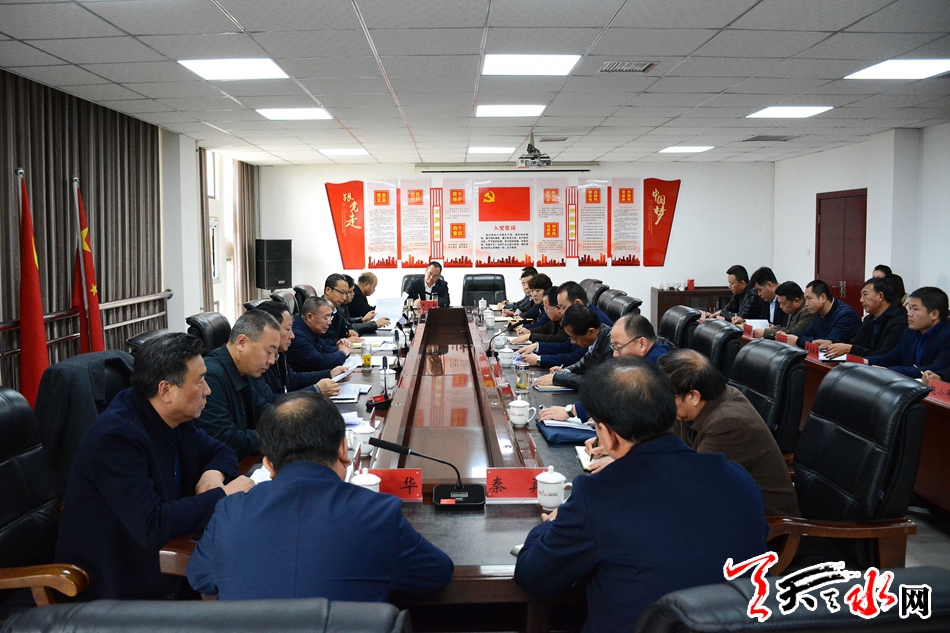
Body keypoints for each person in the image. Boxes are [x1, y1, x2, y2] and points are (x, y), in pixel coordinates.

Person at [514, 358, 768, 632]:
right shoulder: (739, 480)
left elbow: (533, 576)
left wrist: (552, 522)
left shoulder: (598, 496)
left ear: (607, 435)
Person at [186, 391, 453, 600]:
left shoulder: (229, 513)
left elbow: (199, 577)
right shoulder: (378, 514)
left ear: (268, 466)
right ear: (344, 451)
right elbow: (438, 573)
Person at [55, 333, 253, 600]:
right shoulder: (116, 439)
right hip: (118, 586)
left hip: (165, 560)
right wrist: (223, 495)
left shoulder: (172, 416)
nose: (207, 390)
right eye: (200, 381)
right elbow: (152, 525)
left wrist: (212, 474)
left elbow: (222, 451)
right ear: (166, 390)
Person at [658, 349, 799, 517]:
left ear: (694, 396)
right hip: (726, 506)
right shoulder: (705, 402)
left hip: (766, 524)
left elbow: (692, 484)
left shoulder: (728, 423)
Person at [540, 314, 670, 426]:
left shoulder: (657, 366)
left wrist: (571, 411)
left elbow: (618, 395)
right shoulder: (643, 360)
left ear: (642, 344)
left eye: (618, 347)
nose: (615, 355)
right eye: (613, 348)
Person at [196, 310, 280, 459]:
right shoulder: (210, 377)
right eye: (269, 352)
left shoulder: (241, 370)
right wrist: (281, 435)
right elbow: (227, 440)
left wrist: (293, 421)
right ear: (241, 343)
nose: (272, 361)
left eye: (275, 354)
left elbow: (263, 409)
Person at [251, 300, 343, 401]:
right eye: (288, 329)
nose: (292, 336)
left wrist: (330, 374)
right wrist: (316, 390)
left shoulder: (279, 354)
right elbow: (270, 401)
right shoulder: (254, 362)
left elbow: (293, 380)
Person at [516, 281, 612, 368]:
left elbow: (577, 358)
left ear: (577, 303)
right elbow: (567, 346)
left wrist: (539, 360)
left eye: (563, 307)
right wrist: (537, 346)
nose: (561, 312)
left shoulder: (594, 321)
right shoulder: (579, 317)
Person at [866, 286, 950, 378]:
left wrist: (890, 371)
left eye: (915, 309)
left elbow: (936, 369)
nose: (909, 314)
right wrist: (866, 362)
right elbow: (892, 357)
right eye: (909, 308)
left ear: (934, 314)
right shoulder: (909, 332)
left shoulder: (947, 336)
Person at [816, 277, 907, 359]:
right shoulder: (870, 319)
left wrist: (850, 349)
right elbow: (856, 343)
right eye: (861, 295)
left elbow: (884, 355)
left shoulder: (898, 321)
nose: (861, 300)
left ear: (880, 296)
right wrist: (831, 343)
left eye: (865, 295)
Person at [532, 305, 612, 389]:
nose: (572, 341)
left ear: (591, 332)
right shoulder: (598, 337)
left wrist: (559, 378)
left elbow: (600, 383)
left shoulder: (612, 347)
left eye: (574, 337)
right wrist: (566, 371)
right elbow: (583, 363)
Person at [786, 280, 861, 349]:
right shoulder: (819, 312)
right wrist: (788, 336)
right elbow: (807, 333)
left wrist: (798, 340)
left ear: (823, 297)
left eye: (809, 298)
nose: (806, 304)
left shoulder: (846, 315)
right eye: (805, 299)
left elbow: (827, 343)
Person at [287, 296, 350, 373]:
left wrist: (343, 347)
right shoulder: (297, 336)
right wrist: (343, 353)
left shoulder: (310, 330)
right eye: (326, 318)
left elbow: (326, 349)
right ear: (310, 317)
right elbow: (321, 362)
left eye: (330, 318)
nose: (329, 322)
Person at [322, 273, 361, 342]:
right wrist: (345, 341)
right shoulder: (319, 311)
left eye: (346, 293)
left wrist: (350, 331)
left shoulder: (336, 309)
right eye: (342, 292)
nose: (344, 298)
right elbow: (321, 341)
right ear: (328, 290)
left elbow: (348, 326)